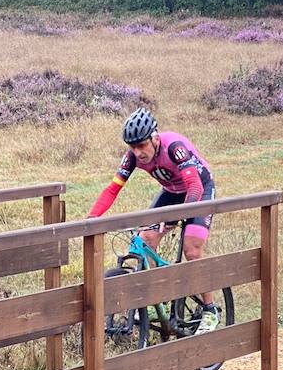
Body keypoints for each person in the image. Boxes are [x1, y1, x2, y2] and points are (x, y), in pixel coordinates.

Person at [88, 109, 223, 334]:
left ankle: (210, 310)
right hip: (171, 191)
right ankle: (158, 298)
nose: (138, 152)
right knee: (144, 241)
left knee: (192, 250)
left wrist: (175, 217)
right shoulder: (132, 157)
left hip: (199, 189)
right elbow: (112, 190)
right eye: (133, 147)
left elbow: (195, 187)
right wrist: (91, 219)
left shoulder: (174, 147)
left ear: (155, 138)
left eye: (142, 145)